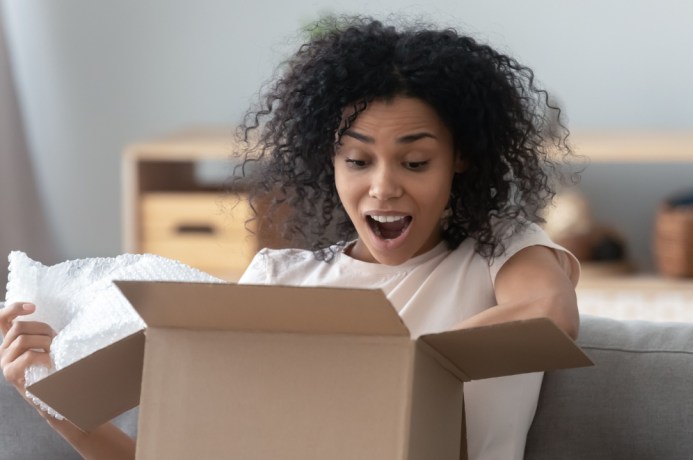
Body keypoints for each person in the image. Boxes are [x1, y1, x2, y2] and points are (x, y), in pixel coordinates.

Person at [0, 16, 580, 459]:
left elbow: (547, 314)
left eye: (416, 162)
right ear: (327, 162)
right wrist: (45, 396)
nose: (383, 188)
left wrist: (395, 370)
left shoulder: (499, 249)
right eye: (358, 160)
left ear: (460, 160)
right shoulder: (281, 279)